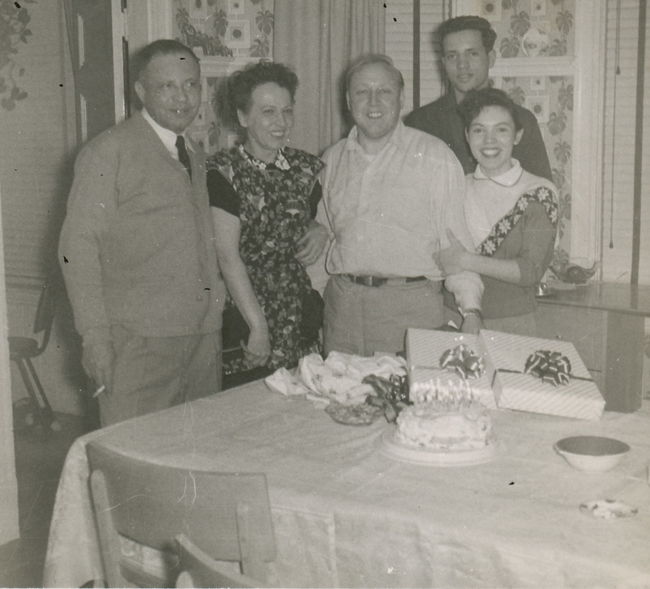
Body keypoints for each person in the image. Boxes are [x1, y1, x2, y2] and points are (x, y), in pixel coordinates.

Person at [59, 40, 225, 426]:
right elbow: (77, 248)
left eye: (191, 84)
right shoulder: (109, 152)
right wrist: (95, 337)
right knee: (134, 467)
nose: (182, 97)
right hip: (138, 344)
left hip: (200, 339)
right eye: (167, 86)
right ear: (140, 92)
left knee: (197, 462)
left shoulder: (193, 153)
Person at [318, 54, 484, 357]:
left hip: (411, 311)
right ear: (347, 100)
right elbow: (323, 241)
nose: (373, 102)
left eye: (384, 91)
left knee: (407, 403)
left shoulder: (434, 157)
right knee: (337, 400)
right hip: (342, 313)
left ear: (401, 98)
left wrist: (470, 311)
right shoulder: (331, 160)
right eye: (361, 92)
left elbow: (457, 247)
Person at [207, 61, 327, 384]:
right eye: (268, 112)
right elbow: (227, 257)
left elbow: (324, 221)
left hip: (296, 311)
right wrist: (257, 326)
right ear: (243, 117)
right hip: (245, 311)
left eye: (287, 111)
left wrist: (321, 229)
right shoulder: (222, 173)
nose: (281, 123)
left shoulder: (308, 169)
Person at [435, 88, 558, 336]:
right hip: (454, 317)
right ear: (467, 135)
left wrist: (466, 260)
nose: (489, 140)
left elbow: (531, 271)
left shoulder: (538, 191)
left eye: (501, 129)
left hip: (512, 324)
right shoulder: (456, 187)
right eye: (479, 130)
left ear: (517, 135)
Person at [404, 15, 552, 182]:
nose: (462, 65)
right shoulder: (420, 123)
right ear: (443, 63)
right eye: (453, 56)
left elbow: (541, 194)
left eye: (472, 54)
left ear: (491, 59)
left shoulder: (521, 120)